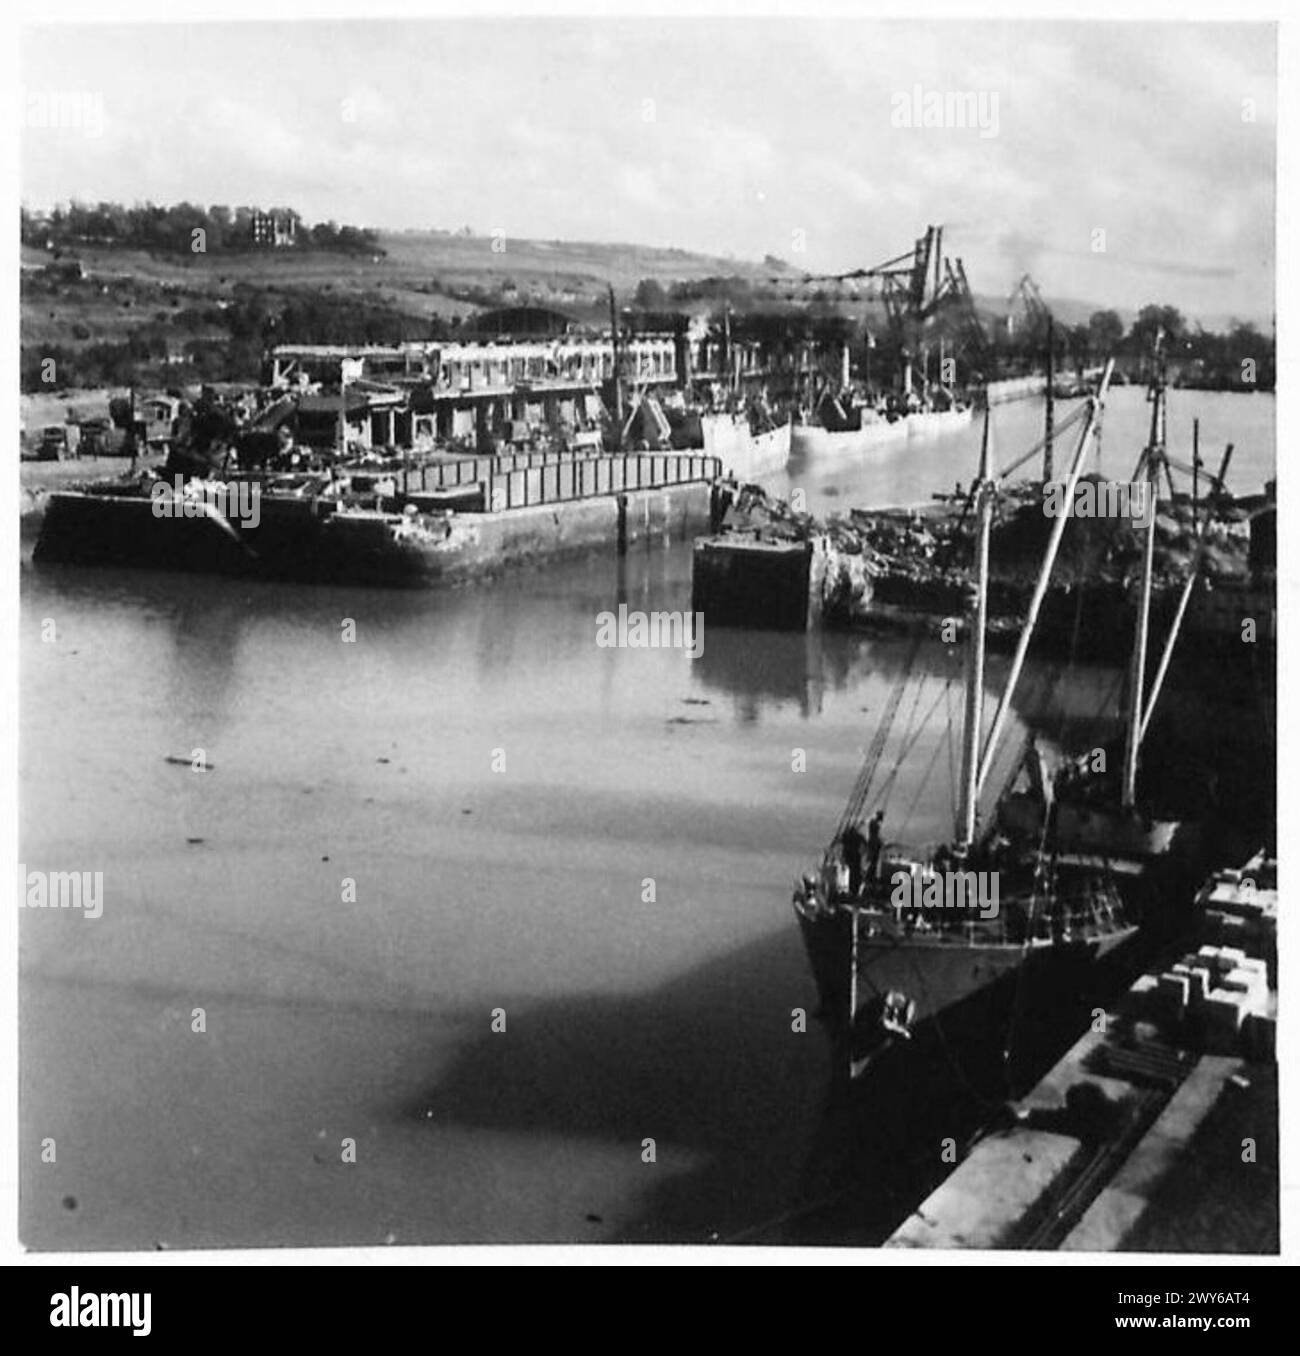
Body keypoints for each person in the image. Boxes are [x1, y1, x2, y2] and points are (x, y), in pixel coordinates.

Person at [866, 810, 885, 884]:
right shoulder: (874, 824)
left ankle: (870, 876)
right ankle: (869, 877)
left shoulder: (872, 822)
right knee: (873, 861)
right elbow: (875, 835)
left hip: (872, 843)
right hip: (873, 844)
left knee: (872, 861)